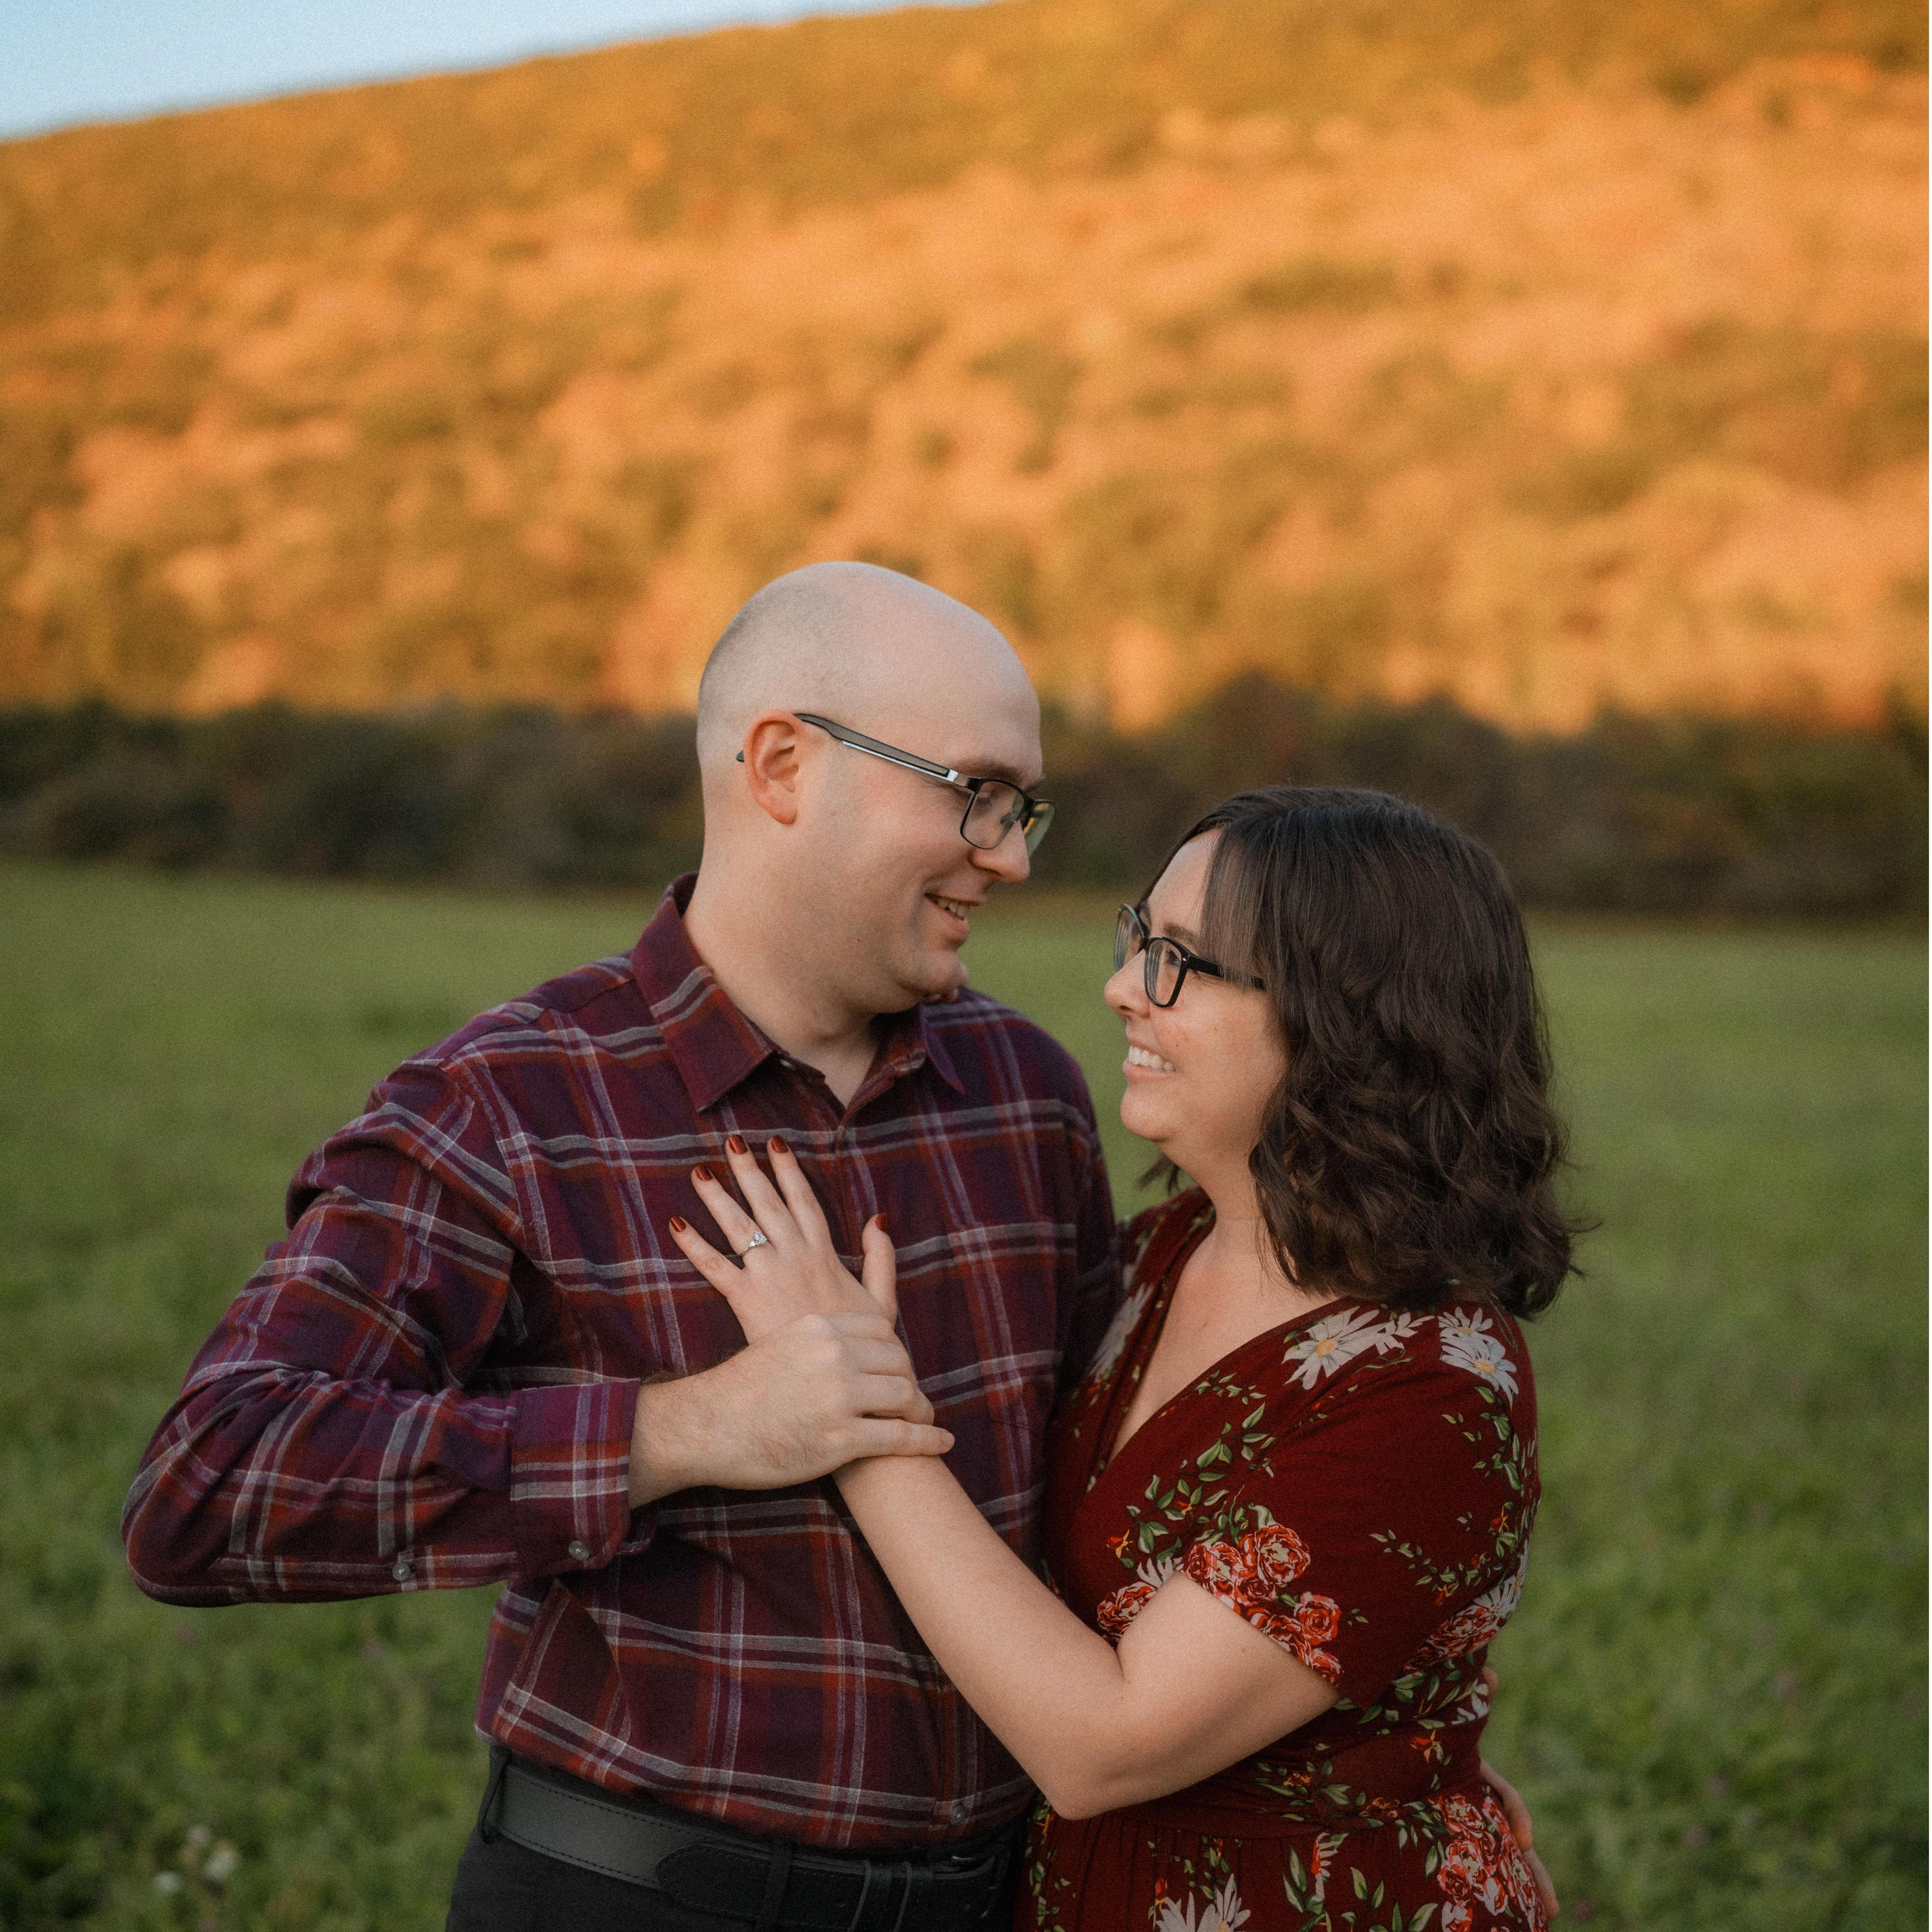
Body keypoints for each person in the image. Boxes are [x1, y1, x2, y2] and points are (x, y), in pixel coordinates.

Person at [123, 563, 1115, 1930]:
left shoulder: (1027, 1091)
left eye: (1022, 808)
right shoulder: (507, 1101)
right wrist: (686, 1429)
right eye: (975, 792)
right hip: (628, 1898)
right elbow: (208, 1483)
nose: (1009, 855)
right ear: (783, 765)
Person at [667, 785, 1575, 1931]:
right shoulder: (1160, 1254)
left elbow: (1104, 1745)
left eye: (1181, 962)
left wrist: (844, 1394)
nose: (1123, 987)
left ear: (1349, 1021)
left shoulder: (1428, 1389)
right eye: (1139, 937)